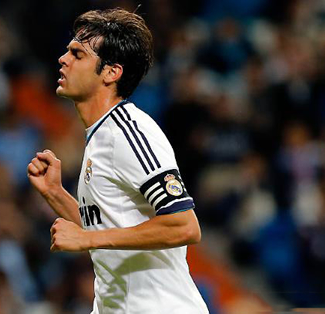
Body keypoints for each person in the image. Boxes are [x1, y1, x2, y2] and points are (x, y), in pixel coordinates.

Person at [27, 8, 209, 314]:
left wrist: (87, 238)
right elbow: (109, 227)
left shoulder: (129, 133)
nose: (63, 59)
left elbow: (184, 226)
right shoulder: (100, 137)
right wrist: (55, 194)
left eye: (77, 54)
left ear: (111, 72)